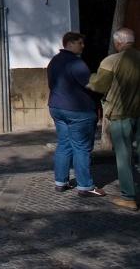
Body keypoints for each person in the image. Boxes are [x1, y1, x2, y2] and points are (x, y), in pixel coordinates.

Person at [47, 31, 106, 197]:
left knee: (64, 144)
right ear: (70, 43)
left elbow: (52, 84)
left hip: (56, 107)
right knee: (81, 147)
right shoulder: (76, 63)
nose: (83, 46)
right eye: (80, 43)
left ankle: (60, 182)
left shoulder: (54, 61)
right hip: (78, 110)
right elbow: (91, 85)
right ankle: (85, 186)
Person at [89, 28, 140, 211]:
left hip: (120, 115)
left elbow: (100, 85)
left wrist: (91, 78)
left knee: (124, 157)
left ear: (118, 43)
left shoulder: (111, 61)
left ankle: (128, 197)